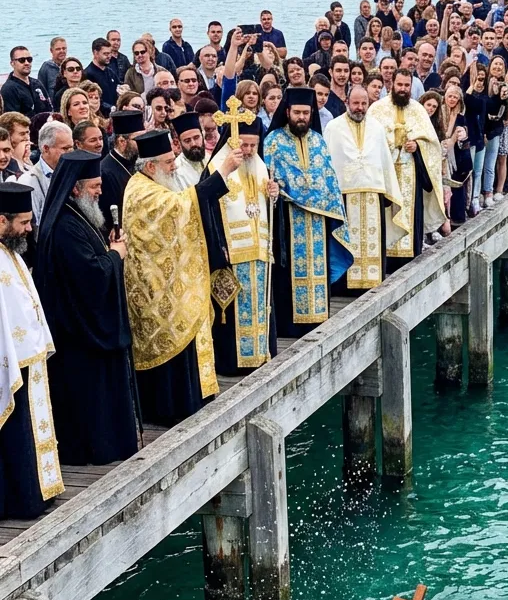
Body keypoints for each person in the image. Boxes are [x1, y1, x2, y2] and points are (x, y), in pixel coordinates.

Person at [121, 128, 237, 426]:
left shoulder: (151, 184)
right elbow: (183, 206)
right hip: (156, 289)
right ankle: (173, 408)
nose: (174, 165)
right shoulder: (141, 190)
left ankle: (194, 398)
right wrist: (222, 172)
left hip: (170, 282)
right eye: (168, 161)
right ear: (150, 166)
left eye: (173, 159)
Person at [33, 151, 138, 466]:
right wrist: (116, 255)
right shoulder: (66, 225)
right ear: (75, 189)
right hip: (80, 335)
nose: (100, 191)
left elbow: (90, 256)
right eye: (94, 186)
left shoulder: (77, 216)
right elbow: (91, 275)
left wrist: (107, 245)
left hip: (85, 329)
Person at [264, 87, 353, 336]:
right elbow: (269, 180)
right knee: (288, 273)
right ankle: (288, 326)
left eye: (305, 112)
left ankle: (317, 317)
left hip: (317, 220)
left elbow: (328, 179)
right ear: (287, 112)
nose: (301, 117)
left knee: (318, 268)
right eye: (297, 112)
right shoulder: (273, 141)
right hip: (288, 218)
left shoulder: (317, 140)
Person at [0, 181, 64, 516]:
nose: (29, 228)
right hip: (9, 364)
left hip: (29, 358)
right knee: (14, 435)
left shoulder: (12, 251)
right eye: (23, 222)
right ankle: (21, 499)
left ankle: (37, 491)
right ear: (1, 221)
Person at [204, 112, 278, 373]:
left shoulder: (260, 165)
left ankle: (260, 354)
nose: (247, 151)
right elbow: (206, 209)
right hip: (231, 255)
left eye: (252, 145)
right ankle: (233, 364)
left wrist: (274, 195)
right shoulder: (215, 169)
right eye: (243, 145)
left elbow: (263, 210)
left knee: (260, 305)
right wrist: (219, 248)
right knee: (233, 310)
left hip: (258, 252)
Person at [325, 85, 409, 292]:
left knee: (372, 240)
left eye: (364, 103)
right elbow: (328, 166)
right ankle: (343, 287)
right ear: (347, 102)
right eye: (356, 103)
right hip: (344, 197)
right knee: (346, 240)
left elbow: (384, 163)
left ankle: (371, 284)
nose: (360, 108)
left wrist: (389, 192)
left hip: (373, 196)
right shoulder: (333, 128)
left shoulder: (376, 128)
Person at [367, 69, 445, 261]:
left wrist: (417, 146)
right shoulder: (376, 109)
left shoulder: (418, 110)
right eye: (399, 84)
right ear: (391, 84)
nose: (403, 89)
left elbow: (432, 145)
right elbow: (368, 143)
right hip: (386, 175)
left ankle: (410, 259)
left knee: (411, 220)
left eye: (406, 85)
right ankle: (386, 261)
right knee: (386, 216)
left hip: (411, 174)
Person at [21, 120, 73, 229]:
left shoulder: (73, 175)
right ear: (46, 149)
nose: (70, 153)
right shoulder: (29, 182)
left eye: (71, 148)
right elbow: (34, 227)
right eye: (65, 148)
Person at [99, 109, 142, 227]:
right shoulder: (105, 172)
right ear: (122, 141)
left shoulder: (137, 161)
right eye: (137, 139)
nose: (143, 143)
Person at [1, 46, 53, 118]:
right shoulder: (9, 89)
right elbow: (12, 120)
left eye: (29, 59)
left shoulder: (37, 84)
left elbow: (49, 107)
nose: (27, 63)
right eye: (22, 60)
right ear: (12, 63)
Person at [171, 111, 210, 187]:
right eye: (187, 141)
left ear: (202, 136)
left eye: (196, 138)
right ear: (180, 143)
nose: (193, 144)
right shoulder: (177, 170)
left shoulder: (210, 158)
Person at [82, 37, 119, 114]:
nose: (109, 56)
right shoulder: (87, 74)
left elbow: (118, 88)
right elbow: (91, 99)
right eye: (105, 54)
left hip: (114, 112)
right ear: (95, 53)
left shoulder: (110, 72)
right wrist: (111, 108)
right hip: (98, 114)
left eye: (110, 53)